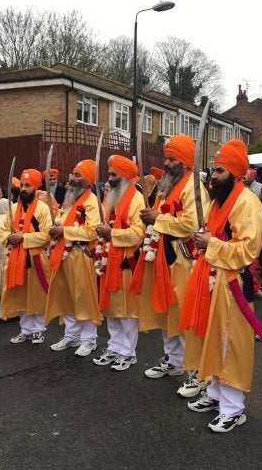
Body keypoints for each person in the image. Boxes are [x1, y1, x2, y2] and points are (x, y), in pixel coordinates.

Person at [179, 139, 262, 433]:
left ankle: (233, 408)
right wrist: (205, 241)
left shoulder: (247, 202)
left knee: (232, 345)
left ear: (236, 174)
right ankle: (215, 395)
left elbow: (248, 250)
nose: (212, 176)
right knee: (212, 339)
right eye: (212, 170)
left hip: (233, 285)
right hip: (211, 279)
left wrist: (210, 244)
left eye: (219, 171)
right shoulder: (218, 201)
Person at [130, 134, 209, 398]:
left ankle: (196, 372)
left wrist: (158, 218)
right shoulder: (168, 185)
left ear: (185, 162)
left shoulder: (193, 187)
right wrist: (151, 217)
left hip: (184, 261)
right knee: (168, 315)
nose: (166, 163)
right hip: (164, 259)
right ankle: (173, 362)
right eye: (166, 157)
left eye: (172, 158)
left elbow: (192, 224)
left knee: (186, 317)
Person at [92, 155, 145, 371]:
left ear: (125, 176)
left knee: (127, 310)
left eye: (114, 175)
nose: (109, 178)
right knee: (111, 307)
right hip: (109, 259)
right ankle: (114, 347)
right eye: (110, 174)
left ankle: (128, 352)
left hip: (126, 262)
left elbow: (137, 234)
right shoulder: (112, 198)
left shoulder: (137, 199)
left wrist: (110, 232)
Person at [45, 160, 102, 356]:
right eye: (72, 174)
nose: (72, 178)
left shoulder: (91, 200)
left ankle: (89, 340)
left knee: (83, 298)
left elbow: (93, 231)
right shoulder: (69, 198)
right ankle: (71, 335)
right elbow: (63, 222)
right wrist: (56, 230)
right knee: (67, 296)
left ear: (87, 181)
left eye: (78, 175)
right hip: (63, 254)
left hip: (80, 255)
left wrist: (64, 230)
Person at [0, 170, 52, 344]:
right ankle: (25, 329)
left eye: (27, 186)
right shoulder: (14, 209)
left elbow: (47, 235)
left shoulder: (44, 209)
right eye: (22, 185)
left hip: (36, 258)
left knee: (36, 295)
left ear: (36, 188)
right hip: (15, 257)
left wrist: (24, 237)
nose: (23, 189)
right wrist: (9, 238)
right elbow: (3, 230)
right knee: (20, 295)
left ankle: (38, 329)